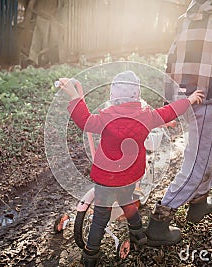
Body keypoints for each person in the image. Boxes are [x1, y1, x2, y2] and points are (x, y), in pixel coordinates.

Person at [58, 71, 204, 266]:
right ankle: (138, 235)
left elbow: (84, 120)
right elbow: (170, 111)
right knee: (128, 202)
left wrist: (75, 97)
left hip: (106, 179)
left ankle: (91, 254)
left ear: (112, 96)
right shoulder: (147, 116)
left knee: (100, 216)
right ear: (138, 95)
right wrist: (190, 100)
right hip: (129, 177)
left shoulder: (104, 118)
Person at [145, 0, 212, 246]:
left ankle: (199, 201)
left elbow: (170, 62)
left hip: (185, 95)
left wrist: (172, 103)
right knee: (197, 163)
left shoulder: (186, 17)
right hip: (207, 95)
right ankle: (160, 220)